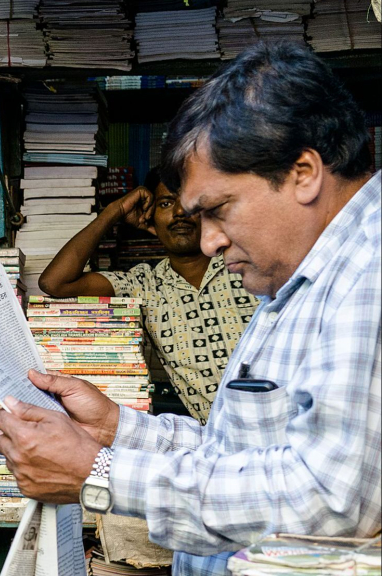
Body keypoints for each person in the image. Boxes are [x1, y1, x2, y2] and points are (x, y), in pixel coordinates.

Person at [0, 42, 380, 576]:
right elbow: (254, 453)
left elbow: (331, 495)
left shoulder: (368, 275)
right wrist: (121, 431)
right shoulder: (303, 280)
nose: (207, 240)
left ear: (303, 173)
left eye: (218, 211)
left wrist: (103, 475)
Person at [38, 167, 257, 423]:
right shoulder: (143, 284)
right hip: (220, 442)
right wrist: (114, 212)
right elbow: (54, 283)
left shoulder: (247, 265)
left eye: (189, 202)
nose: (179, 212)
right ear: (150, 218)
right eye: (166, 203)